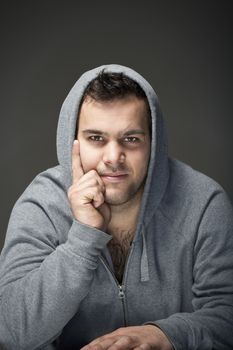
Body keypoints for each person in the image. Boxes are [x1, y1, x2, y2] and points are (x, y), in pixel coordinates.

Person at [0, 64, 233, 350]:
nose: (113, 157)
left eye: (131, 139)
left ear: (154, 143)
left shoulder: (204, 204)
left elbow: (227, 317)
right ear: (74, 143)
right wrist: (82, 239)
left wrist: (165, 336)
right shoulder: (42, 204)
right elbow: (10, 331)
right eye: (96, 138)